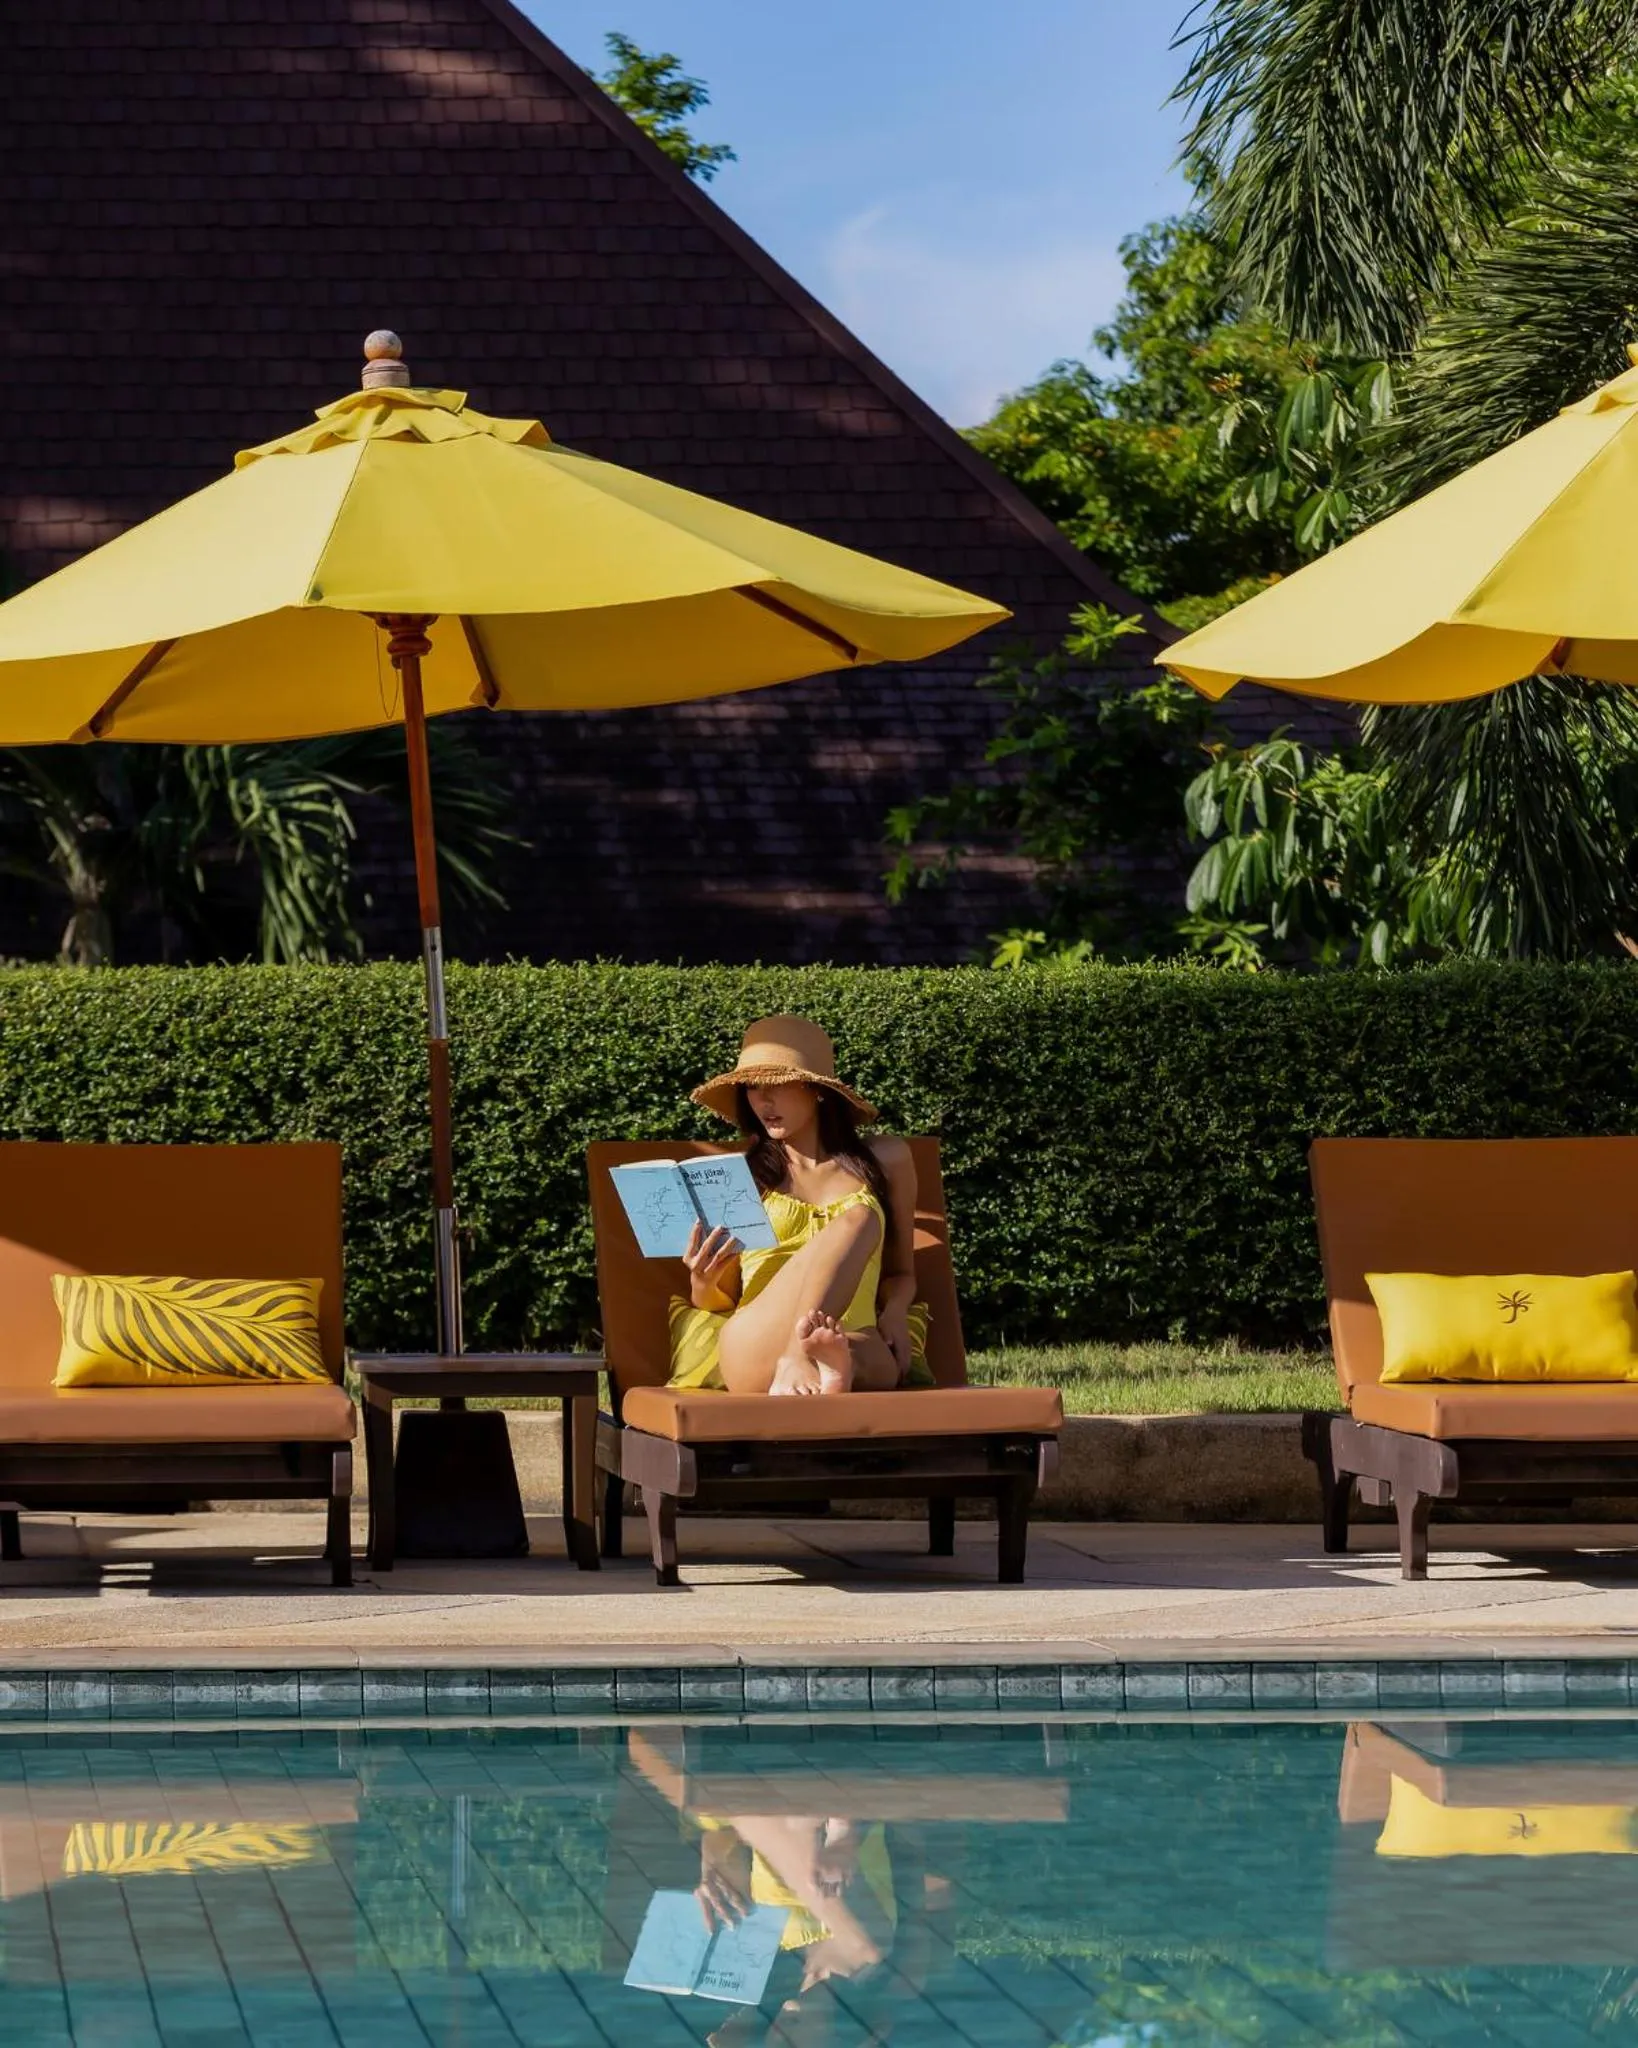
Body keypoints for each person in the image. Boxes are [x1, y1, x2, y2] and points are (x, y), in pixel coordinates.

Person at [668, 1016, 932, 1398]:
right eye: (753, 1088)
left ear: (817, 1090)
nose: (763, 1101)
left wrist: (894, 1312)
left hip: (850, 1337)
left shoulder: (885, 1160)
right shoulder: (741, 1179)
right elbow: (714, 1301)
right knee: (857, 1218)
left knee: (878, 1364)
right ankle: (799, 1356)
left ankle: (832, 1368)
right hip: (759, 1348)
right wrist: (703, 1280)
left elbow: (900, 1272)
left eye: (776, 1085)